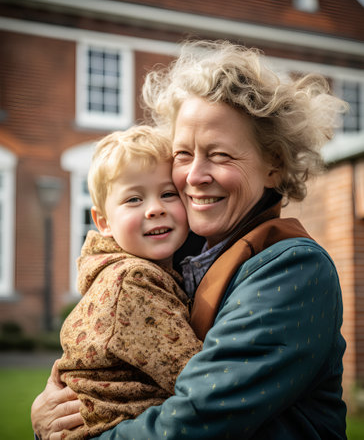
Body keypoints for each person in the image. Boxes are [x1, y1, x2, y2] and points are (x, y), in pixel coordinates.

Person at [32, 40, 348, 439]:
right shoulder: (172, 258)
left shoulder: (294, 269)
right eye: (183, 154)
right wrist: (54, 407)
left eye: (219, 155)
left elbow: (195, 420)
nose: (194, 176)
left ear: (275, 165)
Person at [54, 125, 202, 439]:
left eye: (167, 193)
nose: (155, 208)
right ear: (103, 222)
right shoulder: (133, 281)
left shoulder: (128, 271)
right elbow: (195, 376)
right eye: (134, 199)